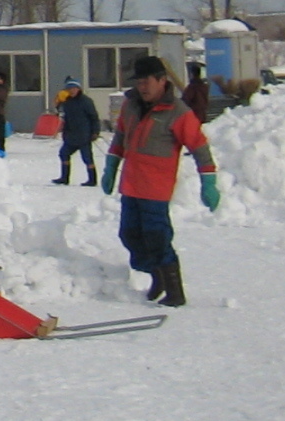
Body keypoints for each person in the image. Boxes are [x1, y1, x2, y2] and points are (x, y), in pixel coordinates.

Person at [102, 55, 219, 307]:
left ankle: (175, 291)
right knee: (129, 235)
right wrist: (111, 166)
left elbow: (199, 147)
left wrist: (209, 181)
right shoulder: (130, 105)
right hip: (131, 185)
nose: (142, 87)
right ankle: (157, 276)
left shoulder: (178, 112)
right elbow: (120, 136)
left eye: (147, 82)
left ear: (162, 81)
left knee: (157, 237)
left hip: (156, 189)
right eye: (139, 82)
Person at [53, 77, 102, 186]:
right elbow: (62, 115)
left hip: (84, 135)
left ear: (78, 89)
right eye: (69, 89)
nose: (71, 91)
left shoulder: (86, 101)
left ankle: (92, 179)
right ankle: (64, 178)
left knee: (87, 158)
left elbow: (94, 117)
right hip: (70, 135)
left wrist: (95, 132)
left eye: (73, 88)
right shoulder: (66, 102)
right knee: (63, 154)